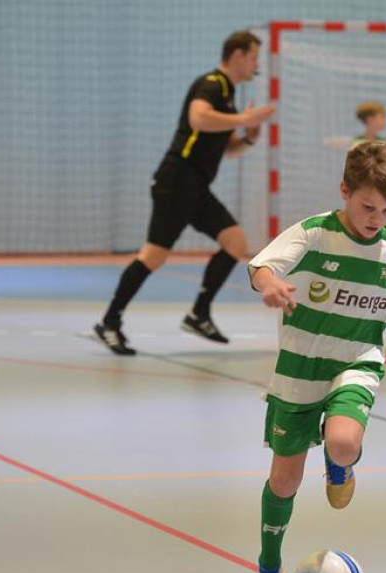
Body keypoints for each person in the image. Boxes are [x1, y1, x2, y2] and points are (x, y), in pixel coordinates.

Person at [247, 142, 386, 573]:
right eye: (368, 207)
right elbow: (261, 266)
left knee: (343, 443)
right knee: (284, 481)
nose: (376, 218)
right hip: (299, 368)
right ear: (345, 191)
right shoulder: (315, 234)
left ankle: (339, 463)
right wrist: (271, 284)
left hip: (357, 359)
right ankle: (268, 570)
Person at [93, 30, 275, 355]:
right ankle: (109, 322)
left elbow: (226, 149)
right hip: (177, 181)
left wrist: (248, 137)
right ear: (237, 55)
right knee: (154, 255)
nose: (256, 65)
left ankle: (198, 314)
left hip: (196, 186)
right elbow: (198, 118)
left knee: (235, 242)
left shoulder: (228, 95)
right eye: (254, 57)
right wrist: (244, 117)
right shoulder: (211, 84)